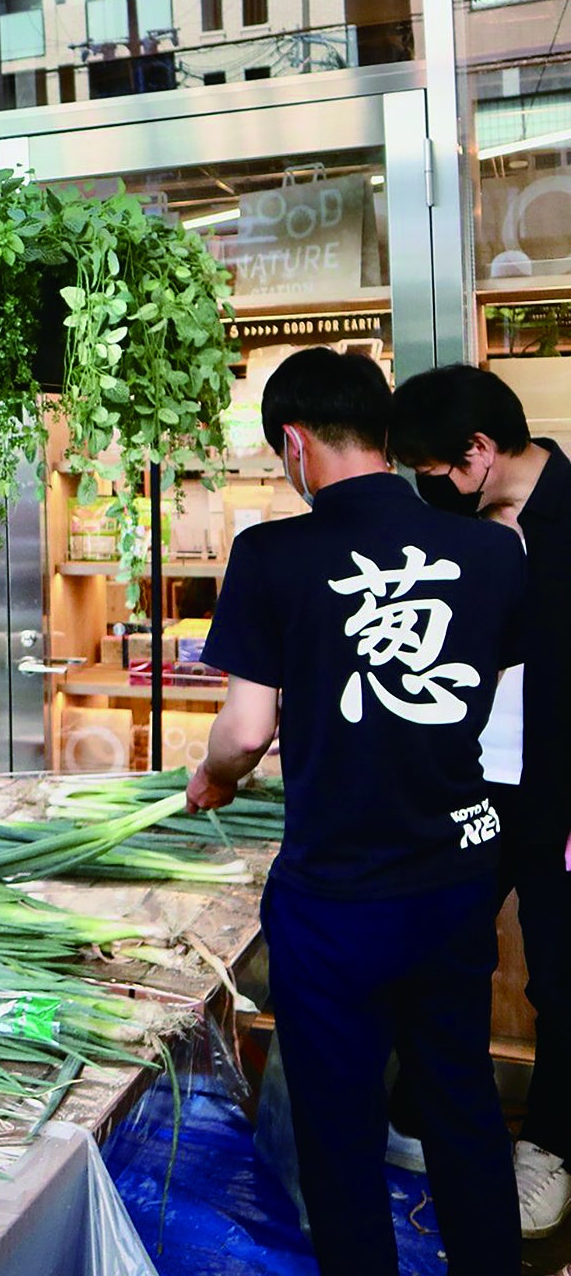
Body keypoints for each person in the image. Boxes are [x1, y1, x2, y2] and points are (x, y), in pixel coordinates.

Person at [187, 347, 524, 1273]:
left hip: (338, 895)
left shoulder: (271, 553)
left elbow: (246, 731)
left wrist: (213, 777)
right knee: (462, 1107)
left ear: (295, 443)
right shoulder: (493, 549)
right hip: (456, 877)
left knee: (340, 1137)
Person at [391, 362, 571, 1238]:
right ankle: (426, 1117)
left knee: (561, 973)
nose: (427, 484)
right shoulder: (451, 520)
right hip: (467, 779)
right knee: (437, 944)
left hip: (560, 788)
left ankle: (549, 1149)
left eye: (435, 468)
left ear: (480, 449)